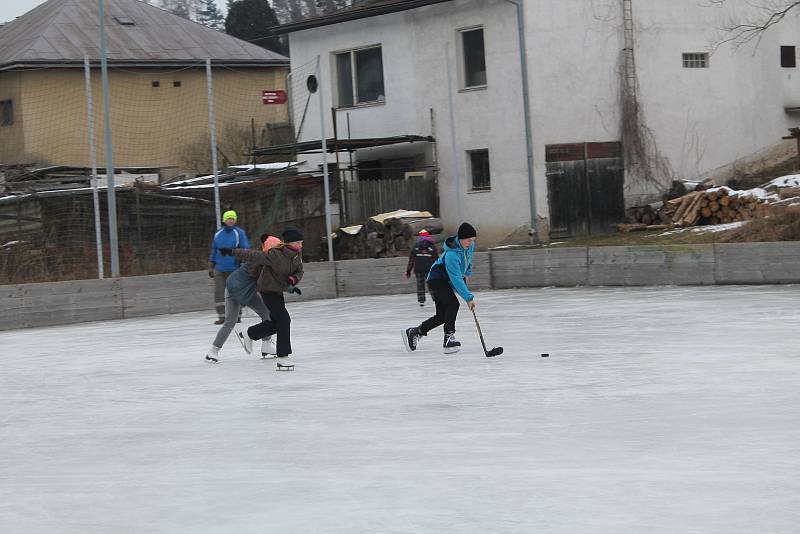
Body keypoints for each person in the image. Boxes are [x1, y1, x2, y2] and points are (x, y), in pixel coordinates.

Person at [220, 228, 304, 362]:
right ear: (289, 243)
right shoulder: (275, 255)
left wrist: (293, 280)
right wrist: (231, 252)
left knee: (276, 324)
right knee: (284, 319)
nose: (301, 245)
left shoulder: (297, 255)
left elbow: (300, 271)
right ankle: (283, 356)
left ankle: (249, 334)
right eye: (298, 242)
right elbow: (251, 255)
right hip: (268, 292)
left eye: (301, 242)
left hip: (278, 292)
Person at [402, 222, 477, 354]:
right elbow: (456, 279)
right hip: (436, 279)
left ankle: (415, 332)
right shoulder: (451, 255)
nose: (470, 243)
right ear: (460, 238)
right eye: (468, 240)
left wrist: (467, 273)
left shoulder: (469, 246)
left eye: (472, 240)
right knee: (453, 304)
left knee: (442, 316)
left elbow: (468, 260)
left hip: (445, 280)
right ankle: (449, 338)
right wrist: (468, 298)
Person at [204, 234, 280, 363]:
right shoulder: (260, 261)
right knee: (230, 321)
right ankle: (213, 351)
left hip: (247, 291)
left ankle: (267, 345)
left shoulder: (268, 262)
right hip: (234, 289)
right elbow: (247, 257)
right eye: (277, 250)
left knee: (267, 313)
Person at [208, 210, 250, 324]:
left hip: (234, 268)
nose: (231, 220)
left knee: (235, 292)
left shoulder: (239, 233)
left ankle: (237, 315)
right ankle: (222, 316)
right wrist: (211, 264)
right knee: (219, 292)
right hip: (220, 268)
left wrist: (243, 261)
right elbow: (214, 249)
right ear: (224, 220)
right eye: (228, 218)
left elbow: (245, 248)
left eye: (233, 218)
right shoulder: (218, 233)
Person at [404, 229, 439, 306]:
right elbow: (436, 260)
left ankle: (421, 301)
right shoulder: (432, 247)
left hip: (418, 269)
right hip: (429, 269)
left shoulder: (415, 247)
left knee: (420, 285)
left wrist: (408, 271)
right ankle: (435, 299)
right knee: (431, 285)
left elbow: (411, 260)